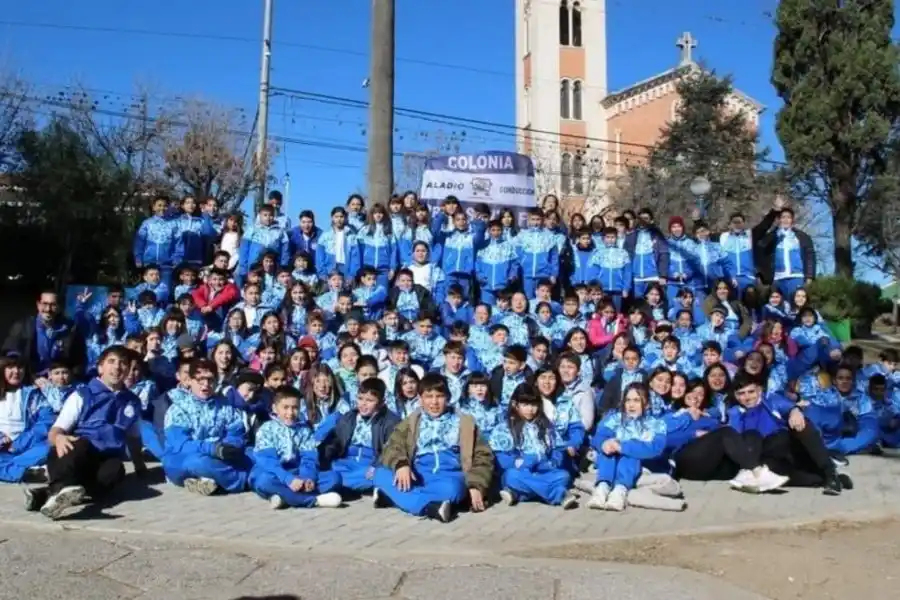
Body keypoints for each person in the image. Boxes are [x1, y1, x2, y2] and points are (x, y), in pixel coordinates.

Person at [23, 345, 145, 519]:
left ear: (127, 369)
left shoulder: (132, 402)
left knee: (115, 471)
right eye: (111, 361)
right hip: (79, 452)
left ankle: (46, 494)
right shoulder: (82, 395)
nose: (117, 367)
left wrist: (140, 467)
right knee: (75, 446)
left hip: (105, 458)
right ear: (100, 367)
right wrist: (58, 439)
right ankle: (59, 491)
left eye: (123, 363)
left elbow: (133, 436)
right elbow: (56, 431)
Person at [372, 373, 493, 522]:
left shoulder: (465, 422)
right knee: (380, 474)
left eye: (439, 396)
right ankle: (431, 507)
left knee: (453, 489)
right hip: (417, 475)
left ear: (447, 397)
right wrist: (401, 464)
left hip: (449, 476)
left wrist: (476, 485)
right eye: (429, 396)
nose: (434, 402)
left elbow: (483, 456)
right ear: (421, 399)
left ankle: (396, 498)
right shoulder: (412, 421)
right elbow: (392, 446)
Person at [161, 358, 250, 496]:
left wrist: (230, 446)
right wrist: (213, 449)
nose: (206, 384)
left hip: (220, 454)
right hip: (183, 459)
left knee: (252, 453)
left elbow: (237, 432)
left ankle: (208, 481)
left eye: (210, 380)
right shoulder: (178, 409)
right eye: (200, 380)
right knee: (198, 463)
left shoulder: (225, 405)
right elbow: (181, 445)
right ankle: (244, 481)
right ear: (190, 380)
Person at [248, 386, 342, 508]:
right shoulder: (266, 429)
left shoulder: (304, 430)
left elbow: (309, 458)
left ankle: (284, 497)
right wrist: (288, 479)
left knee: (334, 478)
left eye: (295, 408)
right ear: (275, 408)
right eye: (285, 408)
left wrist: (308, 478)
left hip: (297, 472)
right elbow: (268, 461)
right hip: (274, 473)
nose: (290, 413)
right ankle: (313, 501)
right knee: (263, 481)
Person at [489, 383, 578, 508]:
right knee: (511, 477)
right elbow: (502, 460)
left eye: (533, 405)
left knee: (564, 476)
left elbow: (558, 450)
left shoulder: (546, 426)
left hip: (545, 471)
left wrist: (551, 463)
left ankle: (519, 494)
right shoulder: (503, 429)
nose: (530, 409)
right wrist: (527, 462)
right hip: (520, 472)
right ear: (515, 404)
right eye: (525, 405)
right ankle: (558, 494)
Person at [319, 377, 400, 495]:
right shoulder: (349, 417)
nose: (363, 404)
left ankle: (337, 486)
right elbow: (336, 443)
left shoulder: (391, 421)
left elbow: (391, 450)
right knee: (331, 471)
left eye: (370, 400)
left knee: (380, 475)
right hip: (346, 462)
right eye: (360, 398)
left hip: (369, 465)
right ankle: (345, 485)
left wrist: (376, 465)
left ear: (382, 402)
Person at [2, 291, 85, 381]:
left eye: (53, 305)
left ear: (59, 307)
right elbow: (11, 357)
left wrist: (72, 378)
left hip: (60, 381)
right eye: (45, 304)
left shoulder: (70, 329)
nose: (48, 309)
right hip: (30, 380)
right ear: (38, 305)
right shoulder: (23, 327)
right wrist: (31, 378)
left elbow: (78, 359)